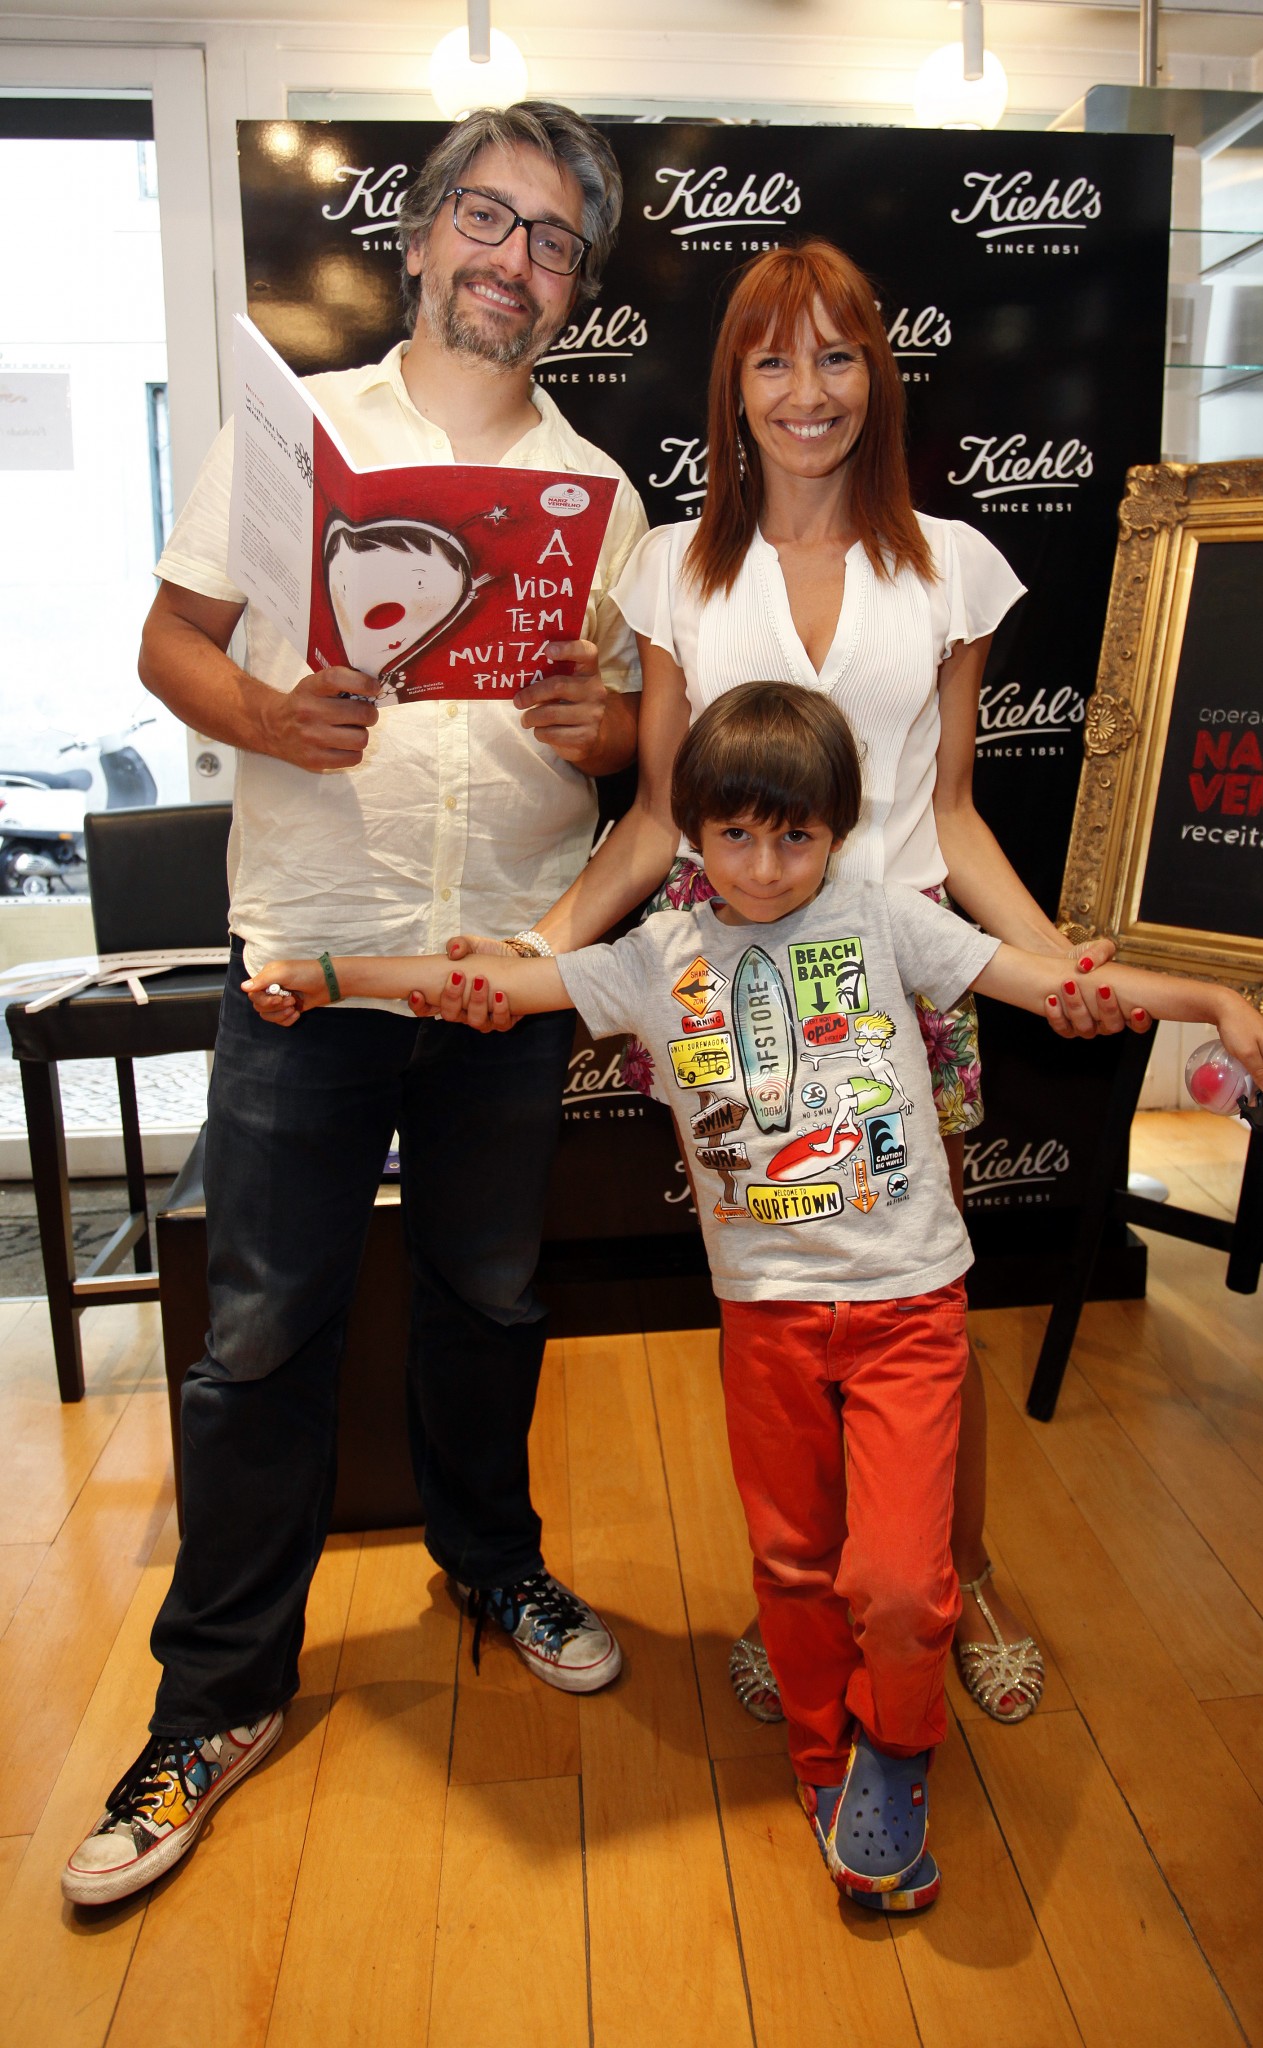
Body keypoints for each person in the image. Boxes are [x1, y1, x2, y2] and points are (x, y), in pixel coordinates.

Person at [243, 680, 1263, 1914]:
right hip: (764, 1318)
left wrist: (1212, 1002)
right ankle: (824, 1763)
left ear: (839, 831)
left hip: (910, 1307)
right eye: (735, 834)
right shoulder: (657, 955)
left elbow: (1048, 981)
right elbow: (499, 986)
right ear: (693, 830)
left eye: (794, 834)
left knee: (901, 1582)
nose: (762, 865)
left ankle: (898, 1747)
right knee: (794, 1562)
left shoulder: (889, 920)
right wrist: (329, 974)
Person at [420, 237, 1146, 1729]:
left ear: (876, 374)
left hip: (901, 980)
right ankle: (799, 1597)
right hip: (735, 993)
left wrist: (1054, 957)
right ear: (733, 388)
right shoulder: (676, 571)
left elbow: (950, 814)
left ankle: (962, 1574)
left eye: (834, 356)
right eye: (771, 361)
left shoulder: (950, 563)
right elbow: (650, 820)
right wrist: (541, 951)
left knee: (919, 1300)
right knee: (775, 1324)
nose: (805, 391)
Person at [61, 101, 650, 1910]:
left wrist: (609, 727)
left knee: (489, 1296)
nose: (513, 259)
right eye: (487, 217)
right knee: (256, 1337)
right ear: (418, 233)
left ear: (574, 287)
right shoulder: (291, 434)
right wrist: (265, 715)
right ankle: (216, 1695)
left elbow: (635, 730)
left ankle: (488, 1560)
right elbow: (168, 641)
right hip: (309, 958)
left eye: (551, 239)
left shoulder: (604, 495)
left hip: (498, 973)